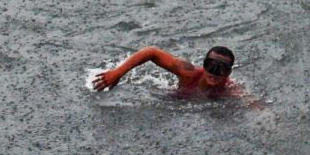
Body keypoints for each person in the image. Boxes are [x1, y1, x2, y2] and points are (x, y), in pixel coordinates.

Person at [90, 45, 235, 96]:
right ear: (204, 65)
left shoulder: (230, 90)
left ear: (228, 73)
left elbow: (252, 103)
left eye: (221, 69)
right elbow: (151, 52)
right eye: (211, 66)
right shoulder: (188, 73)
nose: (214, 72)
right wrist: (118, 73)